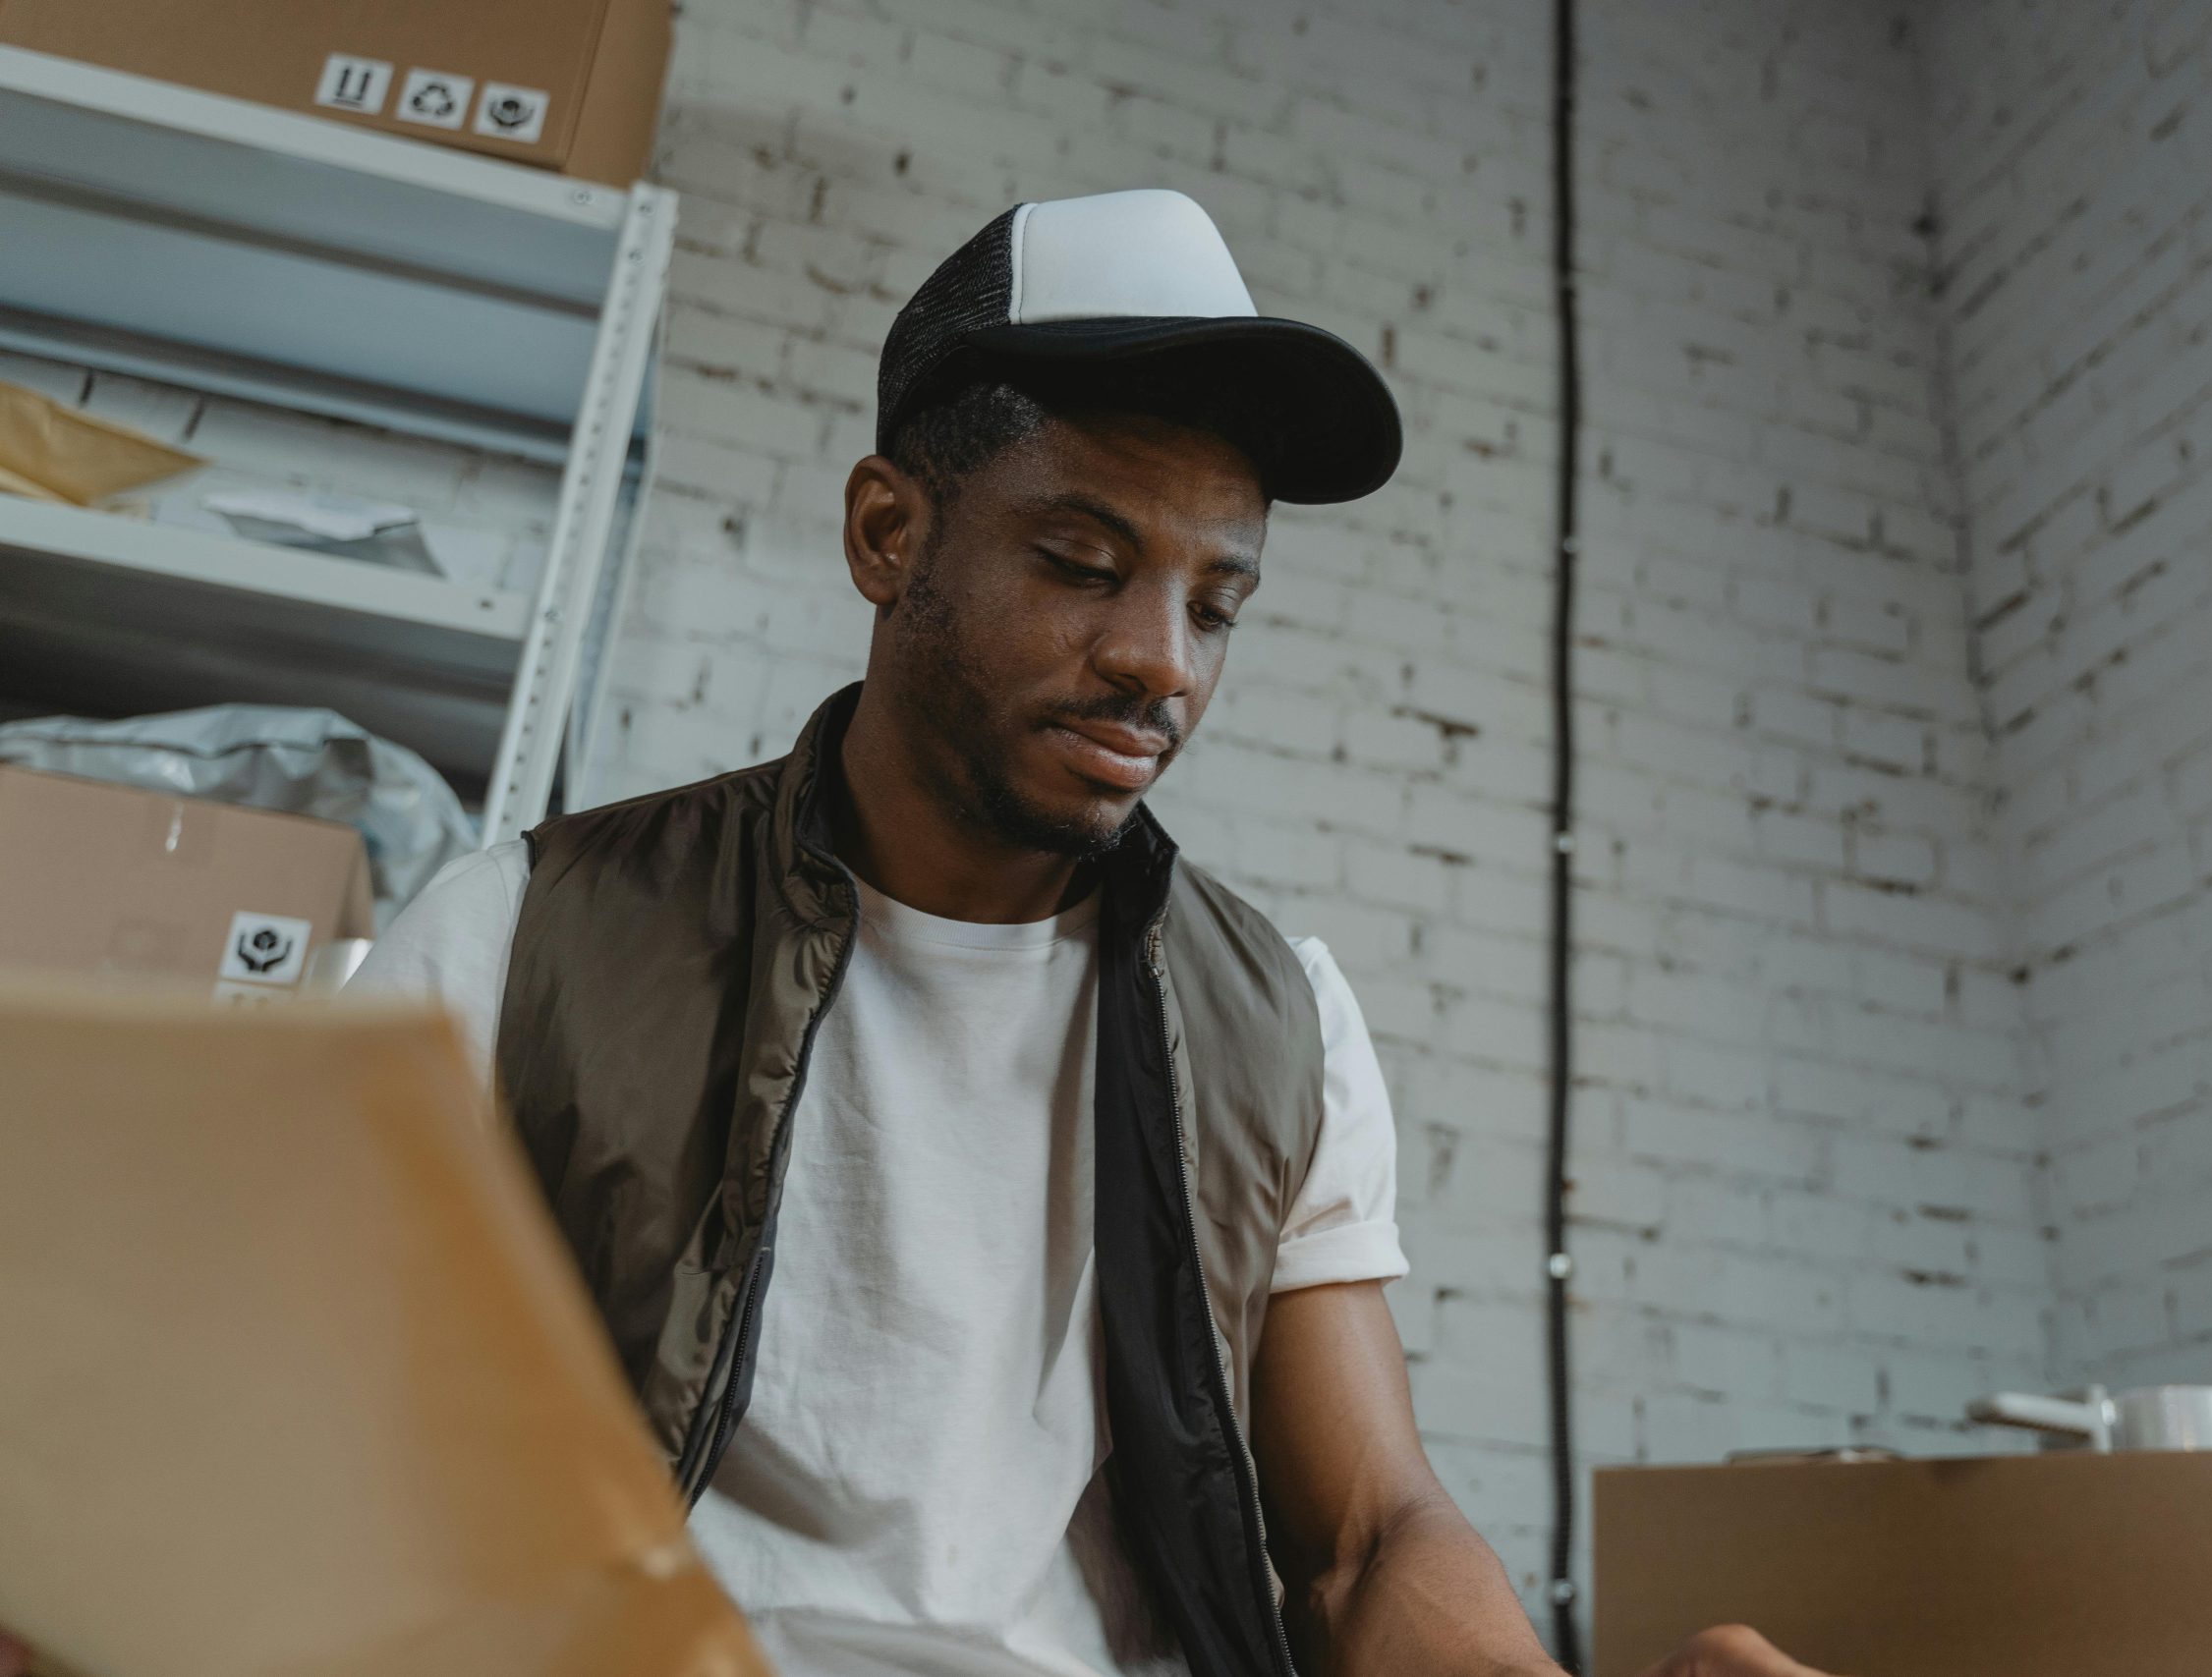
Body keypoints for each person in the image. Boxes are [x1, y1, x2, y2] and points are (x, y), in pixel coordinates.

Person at [0, 190, 1837, 1677]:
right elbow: (263, 1442)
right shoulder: (526, 934)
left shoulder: (1279, 1020)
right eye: (1082, 559)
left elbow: (1364, 1539)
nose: (1157, 662)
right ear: (891, 532)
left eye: (1218, 602)